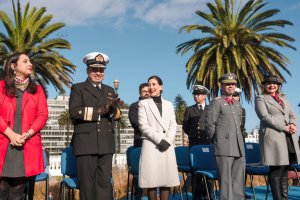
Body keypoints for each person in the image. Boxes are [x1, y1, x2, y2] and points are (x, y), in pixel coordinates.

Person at [69, 51, 122, 200]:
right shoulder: (78, 88)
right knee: (87, 186)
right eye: (94, 69)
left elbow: (116, 116)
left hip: (105, 143)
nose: (98, 73)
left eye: (101, 70)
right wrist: (100, 110)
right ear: (87, 70)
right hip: (86, 143)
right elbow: (75, 112)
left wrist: (114, 110)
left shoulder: (109, 90)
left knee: (105, 184)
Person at [0, 52, 48, 200]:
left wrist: (27, 134)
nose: (30, 64)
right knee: (2, 189)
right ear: (13, 66)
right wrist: (10, 134)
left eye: (30, 61)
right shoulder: (1, 86)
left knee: (18, 192)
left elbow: (42, 115)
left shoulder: (37, 90)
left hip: (26, 144)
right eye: (25, 61)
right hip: (4, 143)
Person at [255, 74, 300, 200]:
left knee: (285, 168)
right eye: (268, 83)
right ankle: (277, 198)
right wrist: (284, 127)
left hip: (288, 137)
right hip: (273, 137)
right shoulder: (261, 98)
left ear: (278, 86)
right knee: (276, 169)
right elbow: (265, 117)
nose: (271, 85)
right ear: (264, 85)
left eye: (274, 83)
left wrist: (293, 124)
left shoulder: (284, 98)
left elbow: (291, 114)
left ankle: (284, 197)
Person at [138, 75, 180, 200]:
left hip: (167, 145)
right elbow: (143, 126)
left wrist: (167, 140)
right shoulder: (143, 104)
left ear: (161, 86)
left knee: (165, 180)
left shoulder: (169, 104)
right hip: (152, 145)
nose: (151, 87)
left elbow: (174, 124)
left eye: (154, 84)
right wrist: (159, 140)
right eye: (149, 84)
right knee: (151, 181)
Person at [206, 72, 245, 200]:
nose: (230, 86)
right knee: (225, 180)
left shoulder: (238, 104)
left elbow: (239, 125)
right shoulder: (217, 102)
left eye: (233, 84)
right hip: (224, 147)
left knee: (238, 180)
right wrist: (217, 142)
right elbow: (210, 124)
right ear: (222, 86)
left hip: (239, 146)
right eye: (227, 84)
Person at [182, 84, 213, 199]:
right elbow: (185, 126)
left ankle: (209, 195)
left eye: (198, 94)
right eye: (195, 94)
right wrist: (193, 135)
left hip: (207, 144)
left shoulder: (211, 109)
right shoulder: (190, 110)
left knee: (208, 173)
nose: (196, 96)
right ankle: (197, 196)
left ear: (205, 96)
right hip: (195, 145)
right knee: (196, 174)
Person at [128, 83, 150, 199]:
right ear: (139, 93)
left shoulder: (154, 106)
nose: (146, 93)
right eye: (144, 91)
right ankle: (137, 197)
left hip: (153, 144)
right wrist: (151, 132)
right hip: (140, 142)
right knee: (139, 175)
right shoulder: (134, 106)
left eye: (148, 91)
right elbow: (136, 123)